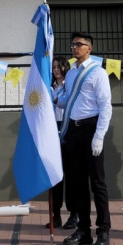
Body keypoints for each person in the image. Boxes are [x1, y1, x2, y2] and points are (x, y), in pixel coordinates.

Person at [55, 32, 113, 245]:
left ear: (89, 48)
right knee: (77, 183)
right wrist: (52, 98)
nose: (74, 48)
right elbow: (67, 101)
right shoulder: (70, 75)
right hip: (73, 130)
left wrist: (99, 136)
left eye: (79, 44)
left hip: (91, 129)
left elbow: (105, 106)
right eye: (73, 45)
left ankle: (104, 230)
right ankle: (83, 230)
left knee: (97, 183)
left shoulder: (97, 73)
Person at [48, 57, 78, 230]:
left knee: (72, 176)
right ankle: (56, 215)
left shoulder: (69, 86)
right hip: (52, 132)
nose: (56, 70)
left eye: (59, 67)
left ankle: (74, 215)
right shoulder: (50, 87)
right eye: (53, 67)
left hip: (68, 130)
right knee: (55, 177)